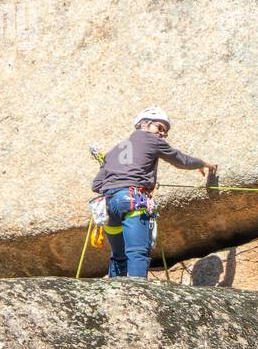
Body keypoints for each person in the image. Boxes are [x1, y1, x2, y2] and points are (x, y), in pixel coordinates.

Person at [91, 107, 216, 278]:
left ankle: (114, 296)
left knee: (118, 256)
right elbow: (181, 160)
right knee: (137, 253)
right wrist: (203, 163)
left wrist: (117, 177)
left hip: (108, 206)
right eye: (160, 127)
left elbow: (96, 184)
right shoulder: (151, 140)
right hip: (133, 200)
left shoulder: (115, 151)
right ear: (144, 125)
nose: (163, 134)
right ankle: (136, 295)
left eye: (165, 131)